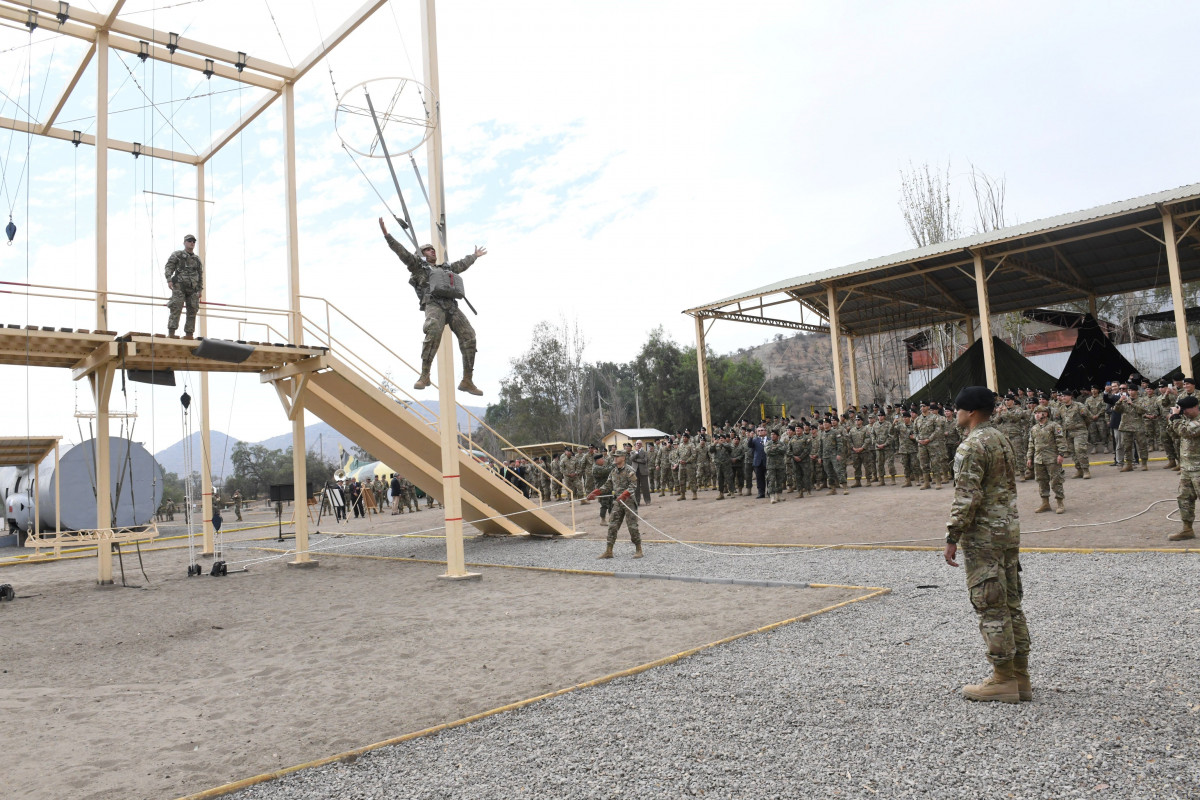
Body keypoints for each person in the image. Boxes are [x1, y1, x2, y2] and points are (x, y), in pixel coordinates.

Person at [943, 386, 1031, 704]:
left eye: (958, 409)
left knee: (990, 606)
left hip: (983, 538)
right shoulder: (1000, 439)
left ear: (972, 412)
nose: (955, 414)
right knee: (1011, 605)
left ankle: (1002, 679)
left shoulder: (972, 445)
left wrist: (953, 536)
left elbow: (968, 495)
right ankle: (1020, 677)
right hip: (1007, 532)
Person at [378, 217, 488, 395]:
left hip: (451, 306)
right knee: (433, 330)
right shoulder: (418, 267)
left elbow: (461, 264)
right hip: (434, 304)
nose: (432, 251)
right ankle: (425, 375)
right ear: (421, 254)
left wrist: (474, 256)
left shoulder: (445, 268)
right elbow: (402, 253)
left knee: (469, 336)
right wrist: (387, 235)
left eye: (433, 249)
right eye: (427, 250)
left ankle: (467, 380)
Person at [587, 450, 642, 559]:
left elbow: (633, 485)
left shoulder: (629, 470)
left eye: (617, 456)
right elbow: (607, 486)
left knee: (632, 526)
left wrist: (624, 495)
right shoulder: (613, 472)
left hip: (629, 501)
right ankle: (609, 551)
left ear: (623, 458)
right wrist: (595, 493)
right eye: (614, 456)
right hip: (618, 501)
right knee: (612, 525)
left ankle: (639, 549)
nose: (615, 458)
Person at [1169, 394, 1200, 541]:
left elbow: (1186, 432)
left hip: (1198, 468)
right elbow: (1175, 434)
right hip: (1187, 468)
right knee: (1184, 499)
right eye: (1183, 409)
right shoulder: (1186, 420)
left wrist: (1175, 419)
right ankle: (1187, 529)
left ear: (1195, 407)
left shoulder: (1198, 421)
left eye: (1186, 409)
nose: (1184, 412)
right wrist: (1172, 420)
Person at [1027, 405, 1068, 514]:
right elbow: (1031, 444)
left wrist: (1061, 454)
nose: (1036, 415)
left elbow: (1061, 440)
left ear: (1045, 414)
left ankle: (1060, 503)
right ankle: (1045, 503)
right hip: (1038, 459)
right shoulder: (1034, 428)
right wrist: (1029, 457)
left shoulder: (1054, 426)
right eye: (1035, 413)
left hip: (1052, 458)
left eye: (1039, 413)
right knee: (1041, 481)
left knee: (1056, 480)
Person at [164, 233, 203, 338]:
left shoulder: (197, 259)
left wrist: (200, 289)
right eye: (190, 241)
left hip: (193, 289)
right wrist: (169, 279)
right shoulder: (178, 255)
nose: (192, 243)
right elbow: (169, 267)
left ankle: (189, 334)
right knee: (176, 308)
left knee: (193, 310)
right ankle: (171, 333)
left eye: (194, 241)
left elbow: (200, 275)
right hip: (180, 286)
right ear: (185, 242)